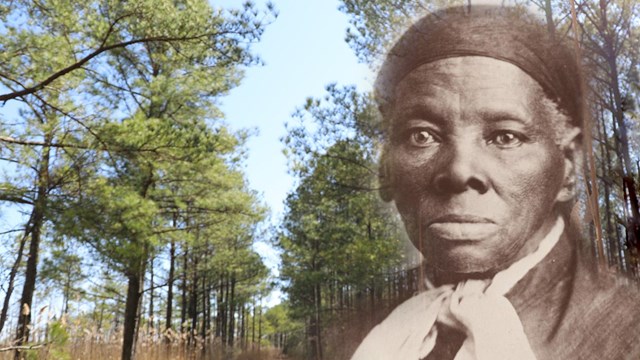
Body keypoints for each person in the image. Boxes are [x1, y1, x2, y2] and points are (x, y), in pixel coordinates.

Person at [351, 5, 640, 360]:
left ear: (567, 166)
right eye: (422, 135)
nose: (459, 171)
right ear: (386, 171)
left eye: (505, 137)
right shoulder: (359, 329)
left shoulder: (629, 330)